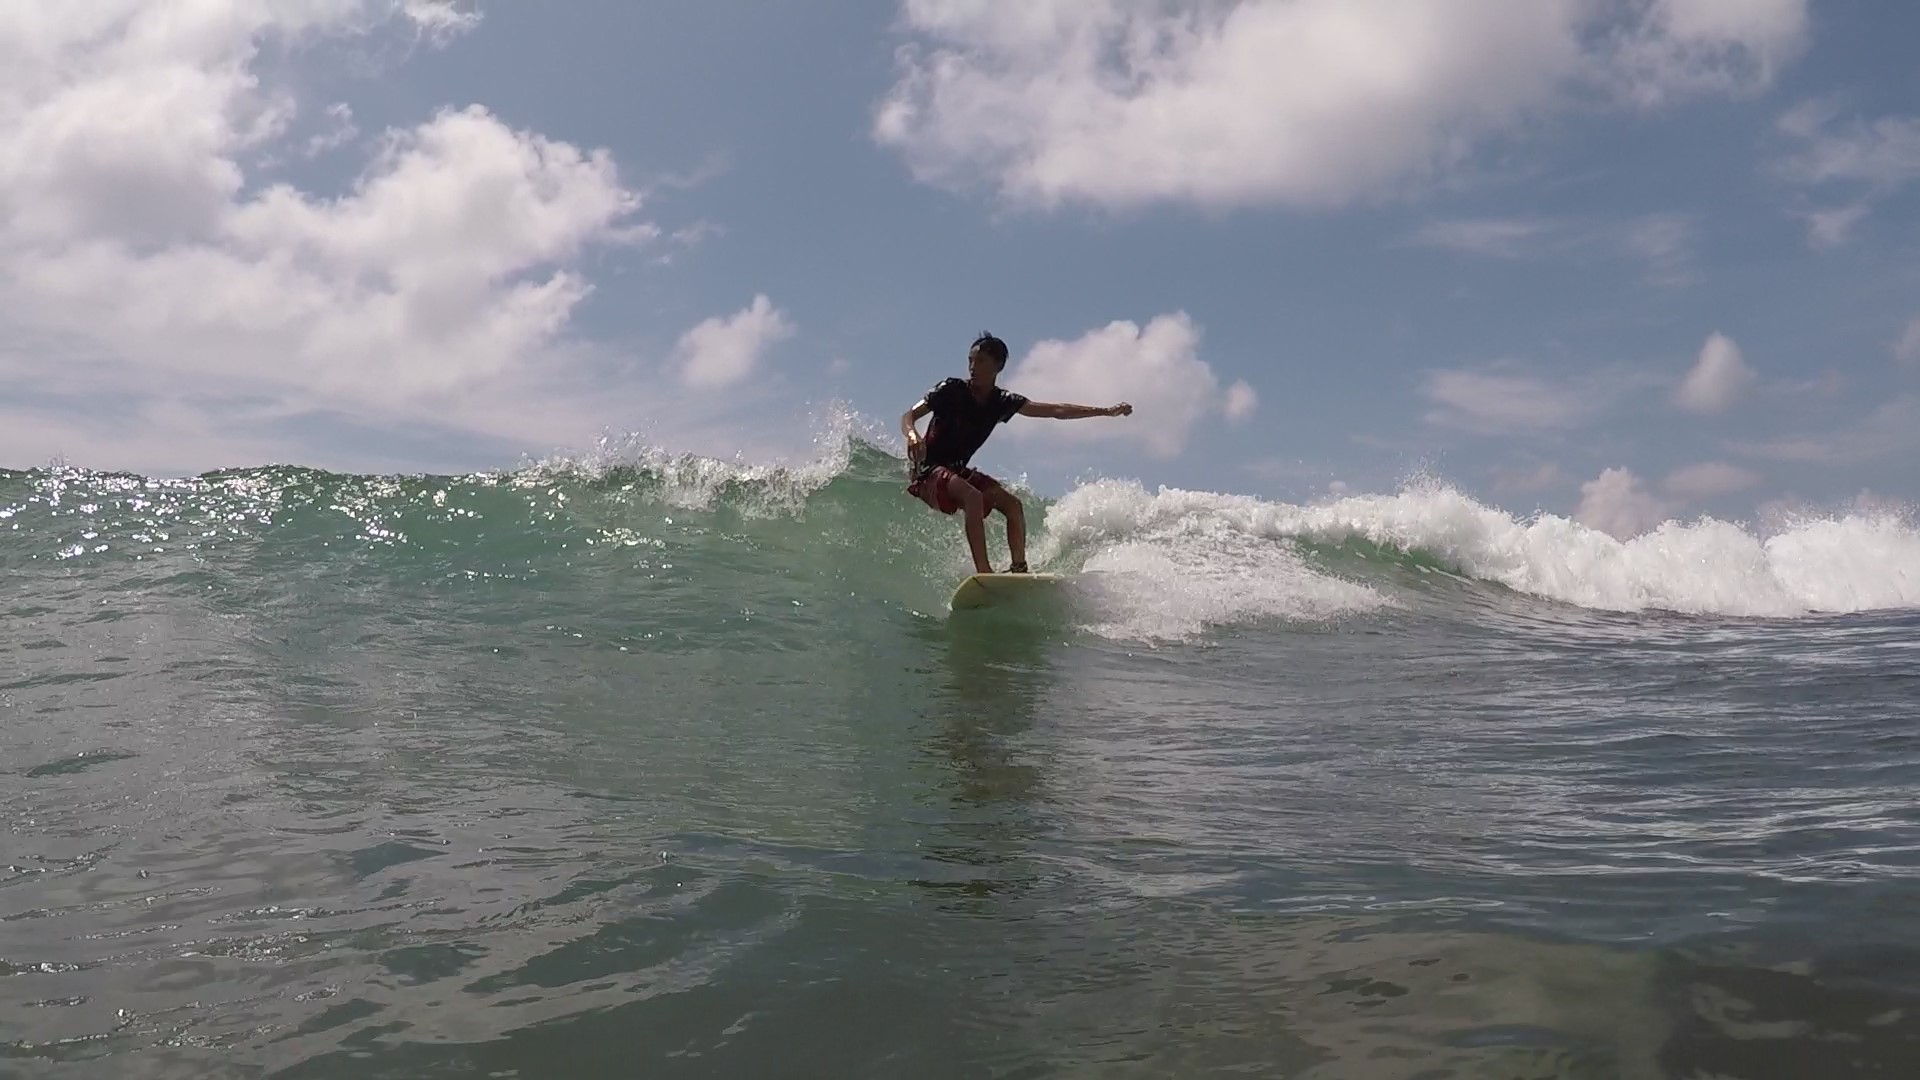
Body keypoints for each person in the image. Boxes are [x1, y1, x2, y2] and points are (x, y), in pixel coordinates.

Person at [901, 332, 1133, 575]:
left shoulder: (1000, 401)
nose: (972, 367)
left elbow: (1055, 410)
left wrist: (1105, 412)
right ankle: (984, 573)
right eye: (970, 360)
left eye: (980, 361)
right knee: (973, 497)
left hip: (955, 471)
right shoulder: (951, 389)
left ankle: (1019, 568)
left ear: (997, 366)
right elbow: (909, 416)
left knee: (1013, 506)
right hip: (926, 470)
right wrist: (912, 435)